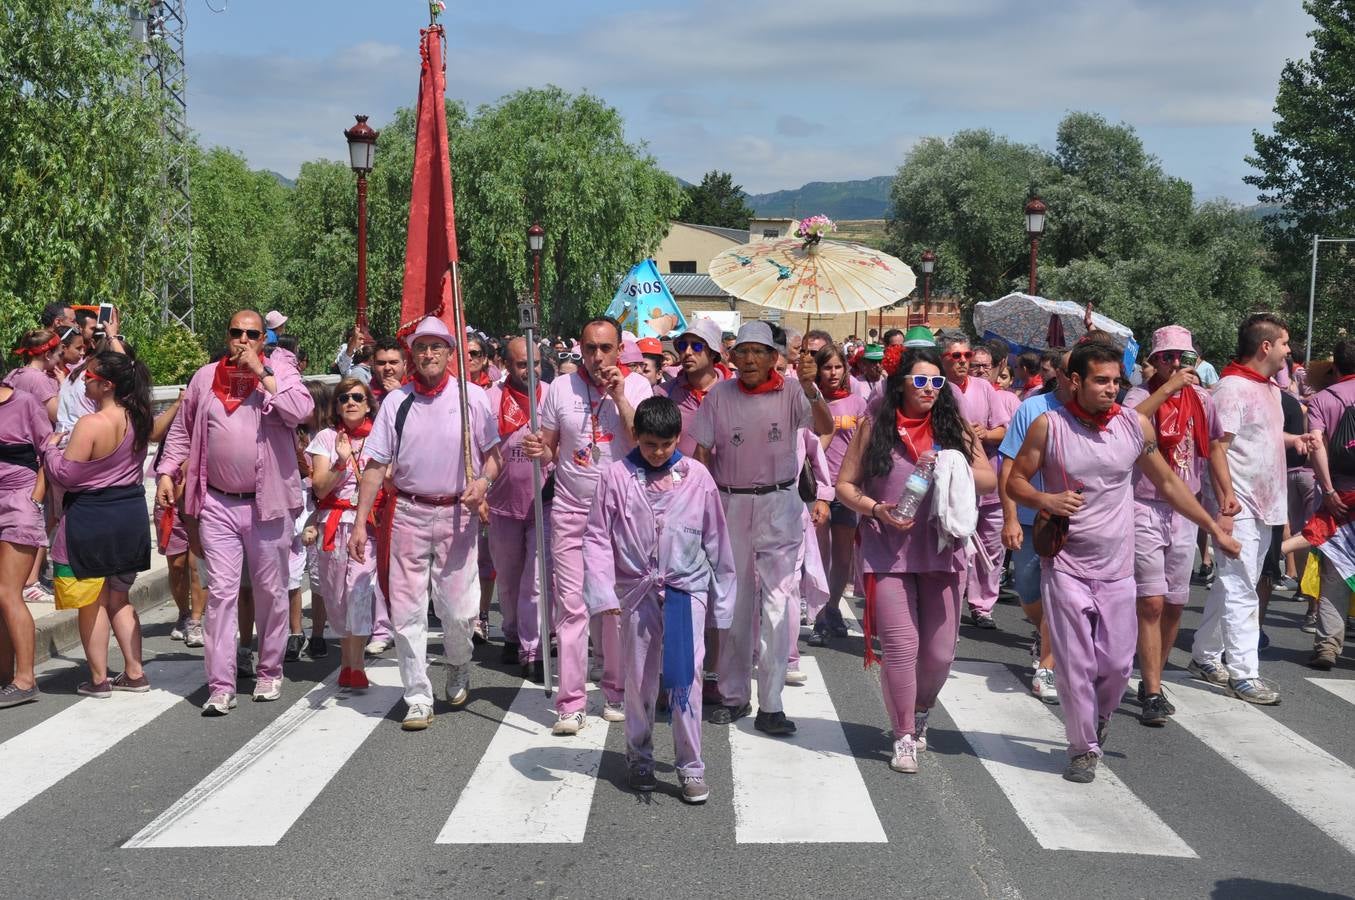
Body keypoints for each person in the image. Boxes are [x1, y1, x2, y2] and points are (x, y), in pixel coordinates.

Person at [1007, 340, 1240, 783]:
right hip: (1067, 565)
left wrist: (1213, 528)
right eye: (1101, 380)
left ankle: (1099, 718)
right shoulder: (1047, 426)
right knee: (1076, 662)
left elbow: (1170, 485)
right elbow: (1016, 481)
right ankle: (1082, 748)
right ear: (1075, 381)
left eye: (1116, 381)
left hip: (1117, 568)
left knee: (1115, 666)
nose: (1111, 389)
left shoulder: (1135, 427)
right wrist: (1045, 498)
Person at [836, 346, 996, 772]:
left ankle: (921, 709)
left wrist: (951, 461)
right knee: (902, 648)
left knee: (940, 653)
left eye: (936, 382)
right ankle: (903, 733)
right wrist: (876, 509)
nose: (929, 389)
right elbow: (845, 486)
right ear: (900, 385)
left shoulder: (953, 427)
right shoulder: (874, 426)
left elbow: (987, 478)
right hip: (886, 550)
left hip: (943, 549)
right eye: (920, 381)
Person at [156, 310, 315, 716]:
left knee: (270, 592)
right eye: (236, 332)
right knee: (222, 594)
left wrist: (262, 372)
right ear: (227, 335)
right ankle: (221, 684)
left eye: (252, 333)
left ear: (265, 339)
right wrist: (166, 472)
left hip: (267, 503)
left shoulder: (280, 371)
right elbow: (181, 432)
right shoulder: (205, 377)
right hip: (217, 502)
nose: (242, 338)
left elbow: (301, 410)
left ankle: (269, 669)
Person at [347, 316, 502, 731]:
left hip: (457, 513)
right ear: (411, 354)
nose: (429, 354)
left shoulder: (473, 398)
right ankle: (417, 695)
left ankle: (458, 662)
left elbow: (494, 456)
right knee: (407, 610)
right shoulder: (398, 404)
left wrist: (483, 482)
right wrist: (360, 523)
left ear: (451, 354)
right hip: (409, 514)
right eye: (421, 347)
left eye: (437, 347)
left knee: (457, 611)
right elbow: (376, 466)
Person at [583, 396, 736, 803]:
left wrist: (723, 599)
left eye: (667, 444)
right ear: (637, 437)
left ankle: (691, 765)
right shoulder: (615, 475)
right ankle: (640, 754)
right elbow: (597, 536)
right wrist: (602, 592)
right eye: (650, 444)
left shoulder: (697, 475)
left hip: (687, 589)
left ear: (677, 440)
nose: (658, 453)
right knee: (639, 676)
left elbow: (716, 538)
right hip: (637, 590)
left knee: (686, 678)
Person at [692, 321, 832, 736]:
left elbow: (822, 425)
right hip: (730, 501)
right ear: (731, 357)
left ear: (774, 357)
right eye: (744, 351)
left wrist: (811, 387)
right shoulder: (719, 395)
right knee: (735, 603)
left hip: (780, 503)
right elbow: (701, 451)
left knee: (776, 603)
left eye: (760, 351)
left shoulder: (792, 390)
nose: (750, 359)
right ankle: (734, 695)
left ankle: (771, 704)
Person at [523, 316, 651, 735]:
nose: (597, 357)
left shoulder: (638, 387)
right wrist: (539, 448)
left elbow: (643, 447)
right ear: (581, 348)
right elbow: (549, 448)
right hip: (570, 508)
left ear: (619, 350)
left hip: (622, 514)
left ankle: (614, 690)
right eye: (591, 348)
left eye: (606, 348)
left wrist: (619, 399)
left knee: (613, 608)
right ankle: (571, 701)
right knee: (571, 607)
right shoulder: (561, 388)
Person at [1187, 314, 1296, 704]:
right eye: (1285, 342)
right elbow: (1219, 445)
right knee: (1241, 588)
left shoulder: (1267, 389)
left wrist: (1296, 439)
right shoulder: (1231, 388)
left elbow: (1260, 435)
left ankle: (1203, 655)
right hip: (1239, 506)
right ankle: (1244, 674)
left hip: (1265, 505)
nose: (1289, 350)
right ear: (1265, 346)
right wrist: (1226, 504)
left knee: (1235, 583)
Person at [1121, 326, 1223, 725]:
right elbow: (1126, 424)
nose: (1178, 364)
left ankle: (1155, 675)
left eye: (1186, 357)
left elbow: (1214, 446)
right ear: (1155, 360)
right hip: (1143, 504)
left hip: (1185, 509)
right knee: (1151, 600)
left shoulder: (1202, 400)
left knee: (1176, 601)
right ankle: (1150, 689)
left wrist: (1225, 495)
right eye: (1169, 357)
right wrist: (1167, 389)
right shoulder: (1139, 395)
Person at [42, 350, 153, 696]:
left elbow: (66, 475)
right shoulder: (139, 417)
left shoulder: (90, 424)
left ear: (106, 386)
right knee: (120, 596)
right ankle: (135, 673)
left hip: (92, 517)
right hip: (130, 515)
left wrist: (49, 450)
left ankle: (99, 679)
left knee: (92, 600)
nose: (83, 381)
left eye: (88, 377)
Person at [998, 350, 1070, 703]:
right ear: (1061, 373)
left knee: (1060, 594)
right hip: (1031, 520)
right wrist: (1010, 517)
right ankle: (1045, 631)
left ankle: (1048, 665)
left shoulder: (1104, 416)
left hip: (1076, 525)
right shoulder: (1033, 408)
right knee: (1028, 589)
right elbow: (1008, 467)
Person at [307, 377, 380, 690]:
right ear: (336, 405)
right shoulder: (325, 438)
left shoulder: (380, 435)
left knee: (359, 591)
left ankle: (356, 665)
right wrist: (340, 460)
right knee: (337, 596)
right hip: (333, 524)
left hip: (368, 525)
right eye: (344, 398)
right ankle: (347, 662)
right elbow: (320, 486)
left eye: (357, 397)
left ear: (367, 404)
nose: (351, 402)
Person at [484, 338, 550, 681]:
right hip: (503, 503)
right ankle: (511, 634)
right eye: (523, 365)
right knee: (508, 579)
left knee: (536, 581)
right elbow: (480, 449)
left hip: (545, 503)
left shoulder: (552, 395)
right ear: (507, 365)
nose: (531, 371)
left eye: (536, 363)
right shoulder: (491, 399)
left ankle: (532, 647)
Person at [938, 336, 1010, 630]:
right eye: (955, 356)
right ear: (942, 359)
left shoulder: (985, 389)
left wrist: (985, 435)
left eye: (966, 355)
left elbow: (1004, 430)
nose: (963, 361)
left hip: (987, 481)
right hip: (954, 485)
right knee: (955, 544)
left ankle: (982, 606)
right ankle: (951, 601)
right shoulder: (938, 388)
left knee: (991, 548)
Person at [810, 343, 867, 645]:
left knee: (843, 556)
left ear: (846, 370)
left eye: (837, 367)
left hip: (848, 489)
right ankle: (819, 615)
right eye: (826, 367)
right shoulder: (810, 402)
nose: (832, 373)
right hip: (817, 488)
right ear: (818, 371)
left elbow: (863, 447)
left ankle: (832, 607)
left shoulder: (858, 404)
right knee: (820, 554)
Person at [1303, 339, 1355, 670]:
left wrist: (1328, 489)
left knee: (1335, 571)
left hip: (1340, 497)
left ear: (1335, 366)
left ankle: (1328, 645)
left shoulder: (1322, 399)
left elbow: (1316, 444)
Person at [0, 379, 51, 708]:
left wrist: (34, 500)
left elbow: (50, 453)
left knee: (7, 592)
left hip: (19, 504)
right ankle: (5, 677)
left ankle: (26, 678)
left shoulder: (25, 403)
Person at [660, 318, 727, 458]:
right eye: (683, 345)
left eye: (696, 346)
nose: (688, 352)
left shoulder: (733, 390)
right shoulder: (663, 394)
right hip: (680, 478)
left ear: (713, 352)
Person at [5, 329, 61, 423]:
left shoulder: (15, 372)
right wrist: (63, 385)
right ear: (47, 355)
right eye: (59, 355)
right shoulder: (39, 379)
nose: (59, 360)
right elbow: (57, 415)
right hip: (31, 436)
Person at [852, 344, 886, 409]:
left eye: (880, 361)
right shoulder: (857, 383)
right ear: (864, 363)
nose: (878, 365)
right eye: (873, 362)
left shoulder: (887, 380)